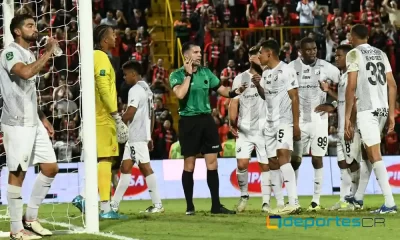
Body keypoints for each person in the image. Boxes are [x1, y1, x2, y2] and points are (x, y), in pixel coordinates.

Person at [0, 14, 59, 239]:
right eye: (29, 25)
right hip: (16, 123)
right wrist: (50, 52)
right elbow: (25, 72)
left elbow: (29, 92)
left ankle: (31, 218)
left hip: (33, 122)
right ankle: (16, 230)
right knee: (18, 173)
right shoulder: (10, 52)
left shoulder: (30, 53)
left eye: (35, 25)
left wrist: (43, 117)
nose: (35, 29)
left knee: (50, 168)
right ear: (17, 31)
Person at [169, 42, 244, 215]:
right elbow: (180, 94)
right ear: (186, 56)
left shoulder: (206, 73)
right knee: (190, 164)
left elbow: (221, 89)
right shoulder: (177, 75)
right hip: (188, 122)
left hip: (206, 121)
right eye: (195, 52)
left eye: (200, 52)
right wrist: (188, 75)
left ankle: (216, 206)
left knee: (213, 163)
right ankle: (189, 206)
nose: (199, 54)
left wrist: (235, 92)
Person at [72, 24, 128, 219]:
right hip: (103, 117)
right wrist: (116, 115)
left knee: (102, 160)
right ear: (105, 40)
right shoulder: (101, 57)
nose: (116, 37)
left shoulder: (95, 57)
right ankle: (103, 207)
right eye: (113, 34)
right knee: (106, 159)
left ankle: (90, 200)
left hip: (97, 115)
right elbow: (104, 88)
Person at [344, 24, 397, 214]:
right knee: (368, 153)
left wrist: (347, 119)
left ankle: (389, 203)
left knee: (374, 155)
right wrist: (391, 114)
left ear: (353, 36)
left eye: (349, 35)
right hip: (382, 110)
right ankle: (358, 197)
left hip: (367, 109)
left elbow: (351, 87)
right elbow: (392, 85)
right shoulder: (381, 54)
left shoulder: (353, 54)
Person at [229, 46, 284, 213]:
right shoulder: (239, 78)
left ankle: (266, 202)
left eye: (258, 56)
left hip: (263, 128)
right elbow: (234, 101)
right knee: (242, 163)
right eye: (253, 57)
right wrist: (231, 121)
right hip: (244, 128)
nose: (256, 59)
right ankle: (244, 196)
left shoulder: (268, 76)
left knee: (265, 165)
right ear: (249, 58)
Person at [288, 37, 340, 211]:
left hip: (319, 120)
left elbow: (346, 84)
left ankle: (316, 201)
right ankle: (293, 200)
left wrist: (332, 105)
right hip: (299, 121)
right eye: (308, 50)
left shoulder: (326, 67)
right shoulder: (291, 68)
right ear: (300, 51)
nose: (312, 52)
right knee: (295, 161)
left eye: (314, 49)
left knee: (317, 159)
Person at [110, 61, 164, 213]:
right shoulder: (147, 89)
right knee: (125, 168)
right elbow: (151, 114)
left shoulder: (134, 90)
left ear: (133, 74)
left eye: (126, 74)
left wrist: (117, 121)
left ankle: (158, 205)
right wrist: (150, 135)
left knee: (145, 167)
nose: (125, 78)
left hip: (136, 135)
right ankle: (114, 205)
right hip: (140, 135)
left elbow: (130, 112)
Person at [256, 39, 301, 215]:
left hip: (284, 121)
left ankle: (294, 201)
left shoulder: (287, 70)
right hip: (270, 123)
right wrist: (257, 85)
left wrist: (296, 124)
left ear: (269, 53)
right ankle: (281, 203)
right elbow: (267, 97)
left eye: (260, 53)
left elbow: (294, 97)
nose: (258, 56)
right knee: (273, 162)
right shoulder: (266, 74)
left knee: (283, 156)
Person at [314, 44, 361, 211]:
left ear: (348, 57)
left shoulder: (352, 77)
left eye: (339, 55)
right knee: (343, 163)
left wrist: (351, 124)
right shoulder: (343, 76)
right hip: (341, 125)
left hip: (348, 126)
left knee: (352, 162)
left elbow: (354, 101)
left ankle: (356, 198)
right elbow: (342, 99)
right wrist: (329, 93)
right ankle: (344, 200)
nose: (336, 58)